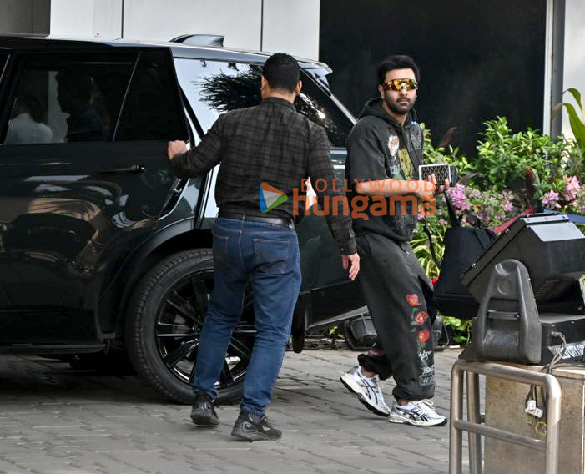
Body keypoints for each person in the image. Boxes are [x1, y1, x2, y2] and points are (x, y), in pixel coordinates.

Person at [168, 53, 360, 441]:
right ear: (300, 89)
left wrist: (176, 154)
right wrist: (348, 246)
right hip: (274, 236)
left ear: (262, 84)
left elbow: (194, 165)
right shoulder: (310, 133)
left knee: (220, 314)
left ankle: (203, 398)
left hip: (227, 231)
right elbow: (330, 193)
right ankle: (251, 416)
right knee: (273, 330)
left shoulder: (231, 121)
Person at [339, 54, 449, 427]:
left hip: (398, 235)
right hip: (373, 234)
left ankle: (368, 374)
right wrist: (415, 187)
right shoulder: (366, 129)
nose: (403, 92)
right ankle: (409, 400)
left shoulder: (412, 131)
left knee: (425, 306)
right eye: (395, 85)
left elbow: (404, 181)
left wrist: (427, 190)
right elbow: (366, 185)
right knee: (413, 309)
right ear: (382, 90)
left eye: (410, 85)